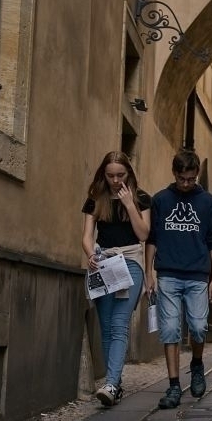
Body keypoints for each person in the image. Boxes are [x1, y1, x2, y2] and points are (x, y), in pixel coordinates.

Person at [145, 150, 212, 410]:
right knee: (169, 330)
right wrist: (148, 273)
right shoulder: (161, 200)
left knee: (199, 327)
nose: (186, 184)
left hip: (198, 275)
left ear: (196, 174)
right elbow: (152, 239)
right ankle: (174, 385)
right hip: (168, 274)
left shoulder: (208, 202)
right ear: (174, 174)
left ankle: (197, 365)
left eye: (191, 179)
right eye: (182, 179)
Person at [82, 152, 151, 407]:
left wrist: (130, 204)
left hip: (130, 263)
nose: (115, 180)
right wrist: (90, 254)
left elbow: (143, 234)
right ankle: (115, 384)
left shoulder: (141, 198)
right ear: (104, 174)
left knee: (120, 323)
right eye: (110, 175)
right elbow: (87, 236)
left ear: (128, 173)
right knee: (106, 325)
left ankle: (110, 383)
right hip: (103, 263)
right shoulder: (95, 199)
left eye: (120, 175)